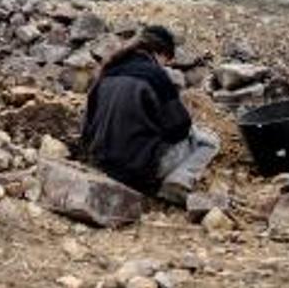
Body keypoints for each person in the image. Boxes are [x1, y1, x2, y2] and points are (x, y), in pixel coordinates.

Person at [81, 25, 220, 204]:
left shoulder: (106, 73)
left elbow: (86, 127)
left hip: (103, 164)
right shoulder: (155, 76)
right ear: (160, 53)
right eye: (166, 60)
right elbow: (179, 129)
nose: (165, 66)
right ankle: (178, 182)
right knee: (209, 142)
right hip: (140, 171)